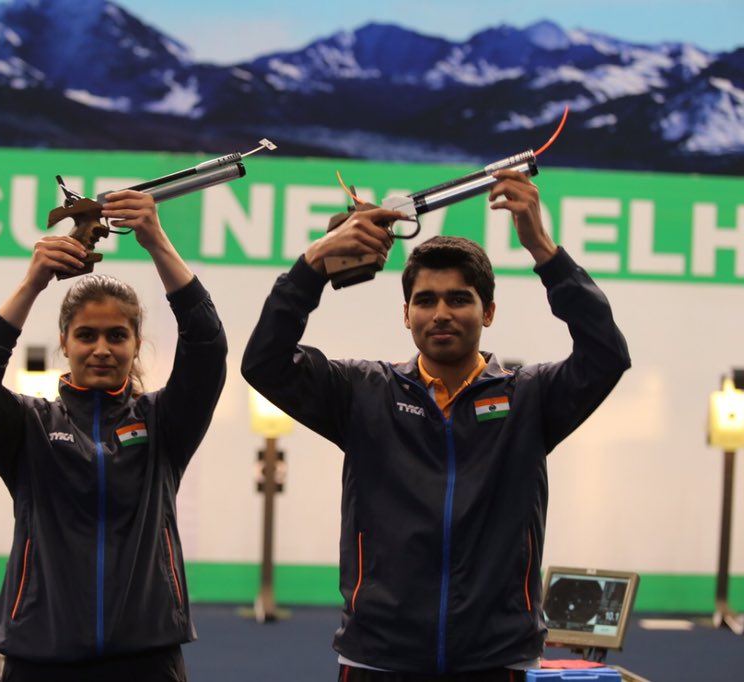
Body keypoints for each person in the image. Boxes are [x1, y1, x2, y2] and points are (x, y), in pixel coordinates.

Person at [241, 170, 631, 681]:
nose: (441, 313)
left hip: (497, 656)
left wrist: (543, 249)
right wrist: (315, 262)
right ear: (406, 314)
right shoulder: (363, 392)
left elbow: (606, 355)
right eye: (426, 300)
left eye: (459, 299)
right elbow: (264, 363)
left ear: (488, 311)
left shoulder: (530, 398)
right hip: (379, 656)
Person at [0, 190, 227, 682]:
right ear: (64, 342)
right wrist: (33, 281)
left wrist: (157, 241)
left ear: (136, 343)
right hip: (41, 651)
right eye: (86, 335)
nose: (102, 349)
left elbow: (207, 346)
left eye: (117, 336)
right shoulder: (31, 427)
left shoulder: (165, 423)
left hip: (146, 653)